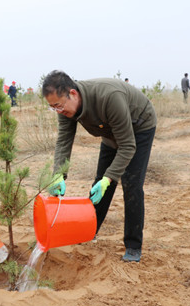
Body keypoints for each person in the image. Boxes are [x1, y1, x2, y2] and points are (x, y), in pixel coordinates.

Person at [43, 71, 156, 263]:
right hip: (111, 131)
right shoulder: (64, 108)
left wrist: (109, 177)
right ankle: (89, 230)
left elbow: (128, 145)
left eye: (59, 105)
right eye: (53, 107)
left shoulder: (109, 97)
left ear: (73, 93)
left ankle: (133, 246)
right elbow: (64, 141)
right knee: (100, 183)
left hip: (139, 127)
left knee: (131, 185)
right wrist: (59, 174)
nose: (58, 111)